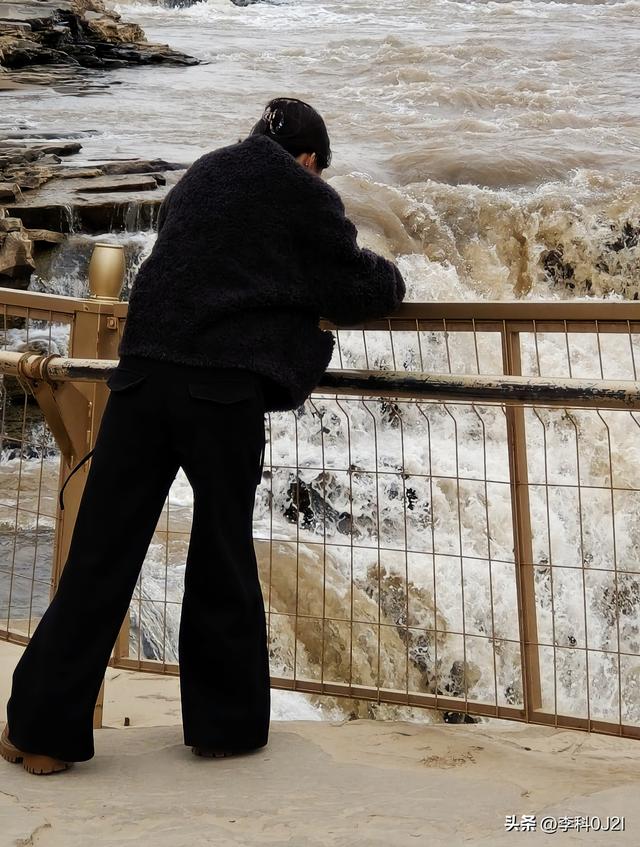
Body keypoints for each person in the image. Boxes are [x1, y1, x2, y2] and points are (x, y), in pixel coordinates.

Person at [1, 97, 406, 775]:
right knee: (220, 551)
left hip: (139, 377)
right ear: (310, 162)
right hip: (218, 391)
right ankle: (222, 729)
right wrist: (391, 278)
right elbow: (355, 283)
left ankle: (37, 731)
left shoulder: (202, 174)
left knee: (101, 553)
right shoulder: (302, 193)